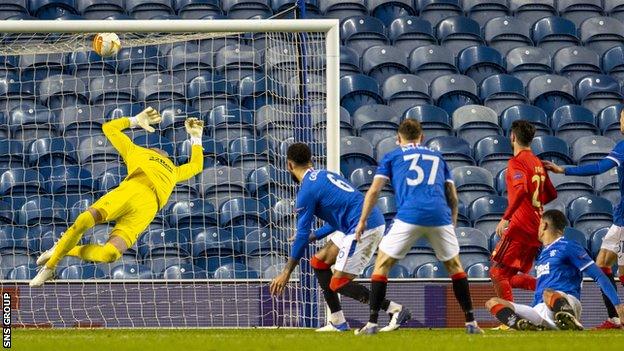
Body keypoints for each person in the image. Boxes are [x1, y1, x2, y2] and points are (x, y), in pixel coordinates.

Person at [30, 108, 204, 286]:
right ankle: (50, 267)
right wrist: (135, 119)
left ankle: (63, 249)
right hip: (132, 189)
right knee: (83, 221)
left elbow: (196, 166)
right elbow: (109, 128)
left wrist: (196, 137)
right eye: (157, 147)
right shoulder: (136, 151)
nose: (161, 150)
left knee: (110, 254)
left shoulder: (174, 170)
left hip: (148, 209)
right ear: (150, 148)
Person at [354, 119, 482, 335]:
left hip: (410, 214)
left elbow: (374, 191)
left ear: (398, 139)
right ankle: (471, 323)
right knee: (455, 266)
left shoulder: (393, 156)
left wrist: (362, 220)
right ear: (422, 137)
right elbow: (452, 193)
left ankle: (372, 324)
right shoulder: (437, 156)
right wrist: (452, 219)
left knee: (382, 264)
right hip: (439, 215)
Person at [269, 143, 410, 332]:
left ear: (289, 165)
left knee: (338, 282)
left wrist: (286, 272)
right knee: (319, 262)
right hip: (354, 223)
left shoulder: (306, 191)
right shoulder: (325, 175)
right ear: (311, 160)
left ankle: (394, 310)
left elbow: (301, 235)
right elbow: (339, 216)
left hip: (364, 227)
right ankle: (337, 321)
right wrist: (316, 235)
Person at [543, 109, 624, 329]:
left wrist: (564, 170)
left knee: (609, 266)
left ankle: (617, 318)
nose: (620, 123)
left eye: (623, 118)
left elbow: (598, 167)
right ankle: (615, 319)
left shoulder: (623, 148)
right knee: (606, 265)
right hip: (620, 219)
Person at [486, 209, 624, 330]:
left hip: (567, 300)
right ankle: (522, 325)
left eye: (539, 224)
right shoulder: (542, 254)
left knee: (548, 293)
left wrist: (618, 306)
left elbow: (599, 276)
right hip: (539, 309)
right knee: (492, 302)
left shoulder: (569, 246)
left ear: (544, 225)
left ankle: (567, 317)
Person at [491, 120, 557, 307]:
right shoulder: (538, 162)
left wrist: (505, 218)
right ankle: (553, 293)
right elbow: (551, 193)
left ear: (512, 137)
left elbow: (521, 191)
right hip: (536, 227)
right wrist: (534, 206)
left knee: (497, 273)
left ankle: (509, 319)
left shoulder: (516, 162)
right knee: (510, 277)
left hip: (520, 226)